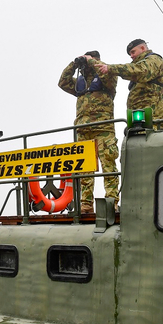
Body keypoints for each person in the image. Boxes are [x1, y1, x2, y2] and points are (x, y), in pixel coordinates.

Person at [58, 50, 119, 214]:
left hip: (103, 129)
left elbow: (107, 73)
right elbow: (62, 82)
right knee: (84, 171)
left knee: (109, 168)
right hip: (83, 130)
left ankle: (112, 203)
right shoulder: (81, 82)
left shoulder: (107, 76)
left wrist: (92, 61)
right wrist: (74, 64)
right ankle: (86, 205)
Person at [96, 39, 163, 130]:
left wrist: (111, 68)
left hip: (154, 117)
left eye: (133, 52)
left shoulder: (154, 59)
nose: (131, 56)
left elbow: (140, 71)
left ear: (143, 48)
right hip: (140, 119)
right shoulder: (141, 63)